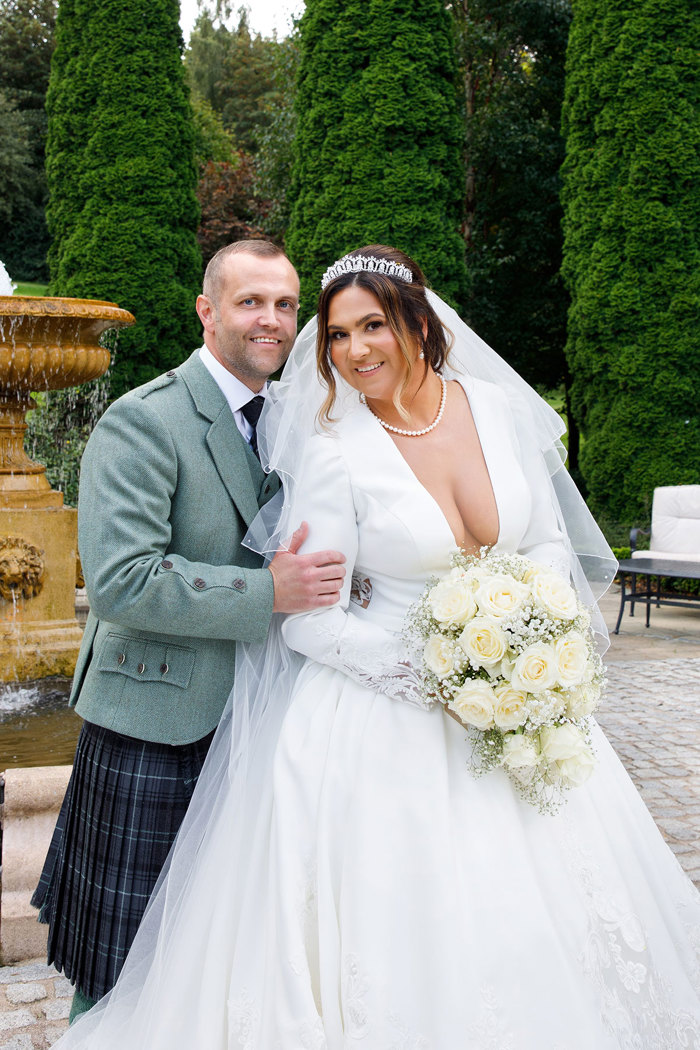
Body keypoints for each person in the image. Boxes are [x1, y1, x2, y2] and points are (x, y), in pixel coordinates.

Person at [52, 246, 700, 1048]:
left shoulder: (496, 411)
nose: (354, 348)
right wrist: (444, 671)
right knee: (134, 937)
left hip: (518, 709)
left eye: (371, 325)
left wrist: (533, 636)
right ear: (208, 309)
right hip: (363, 724)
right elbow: (291, 611)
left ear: (419, 323)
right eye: (335, 333)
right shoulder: (316, 444)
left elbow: (541, 545)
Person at [32, 239, 345, 1023]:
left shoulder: (300, 425)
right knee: (121, 952)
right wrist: (267, 591)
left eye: (283, 304)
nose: (270, 321)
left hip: (267, 720)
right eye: (250, 302)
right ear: (207, 311)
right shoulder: (146, 420)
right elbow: (120, 580)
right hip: (158, 719)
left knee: (232, 946)